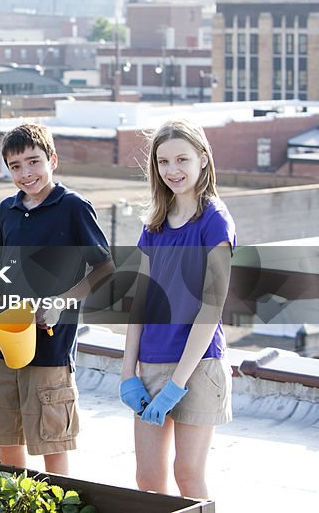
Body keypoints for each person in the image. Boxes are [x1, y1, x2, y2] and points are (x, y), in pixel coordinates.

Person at [0, 123, 114, 475]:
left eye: (33, 162)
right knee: (6, 441)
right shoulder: (5, 211)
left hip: (50, 350)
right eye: (15, 166)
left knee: (51, 444)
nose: (26, 174)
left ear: (52, 159)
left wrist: (61, 302)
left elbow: (105, 269)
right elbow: (3, 273)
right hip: (5, 346)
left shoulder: (73, 207)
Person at [120, 120, 234, 499]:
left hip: (198, 367)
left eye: (182, 159)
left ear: (203, 159)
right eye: (163, 161)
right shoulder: (153, 225)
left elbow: (210, 309)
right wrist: (127, 373)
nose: (173, 170)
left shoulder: (215, 221)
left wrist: (177, 384)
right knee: (148, 481)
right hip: (151, 364)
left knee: (187, 477)